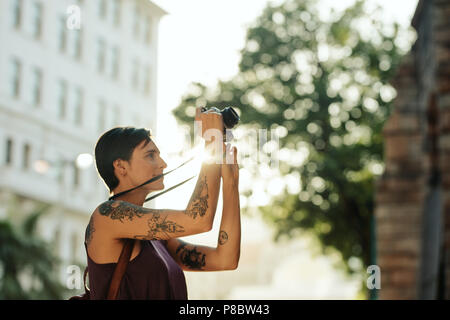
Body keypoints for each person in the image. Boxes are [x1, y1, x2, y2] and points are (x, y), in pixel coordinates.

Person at [84, 107, 241, 299]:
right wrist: (212, 140)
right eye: (150, 155)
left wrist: (231, 184)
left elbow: (226, 259)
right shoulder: (107, 215)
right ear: (121, 166)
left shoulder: (158, 239)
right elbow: (198, 219)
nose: (162, 163)